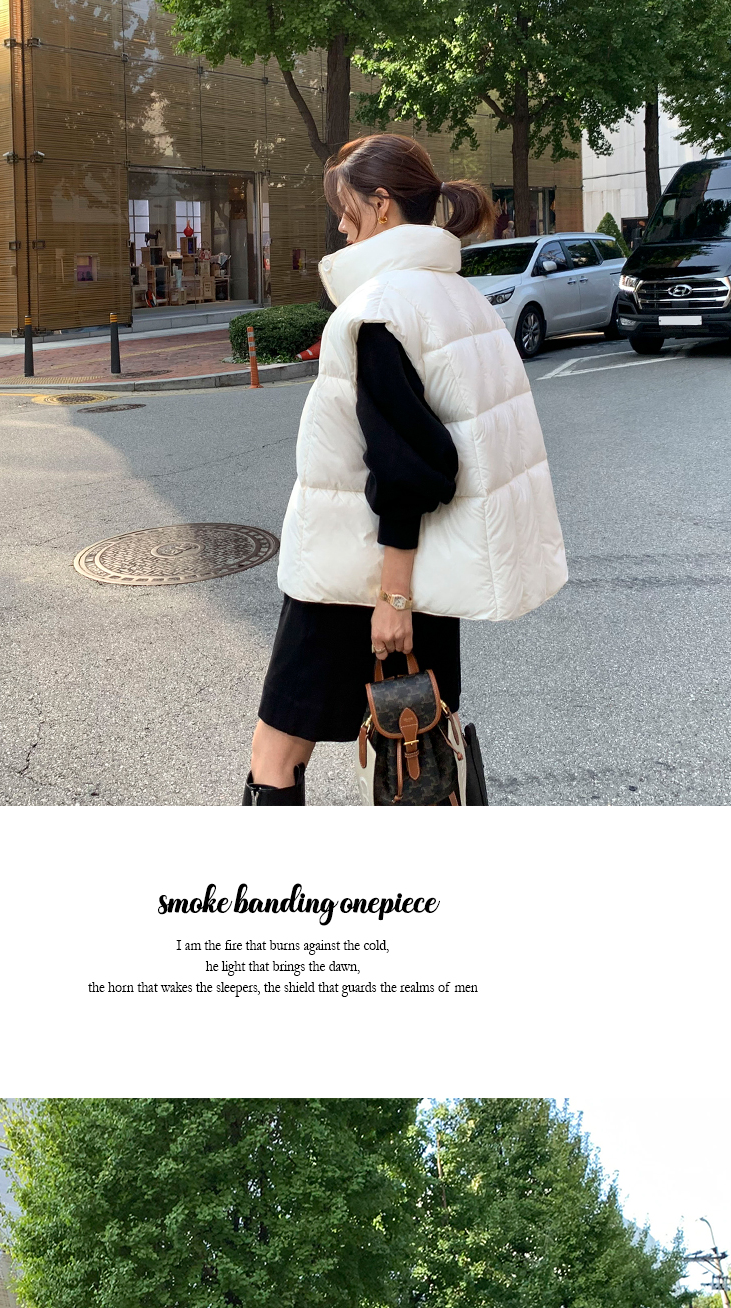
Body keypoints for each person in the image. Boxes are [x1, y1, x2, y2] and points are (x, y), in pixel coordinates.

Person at [243, 130, 567, 805]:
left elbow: (411, 463)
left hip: (356, 576)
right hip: (423, 570)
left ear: (382, 204)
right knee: (421, 746)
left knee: (277, 750)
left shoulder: (380, 309)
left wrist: (391, 598)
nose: (341, 227)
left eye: (346, 210)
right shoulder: (457, 296)